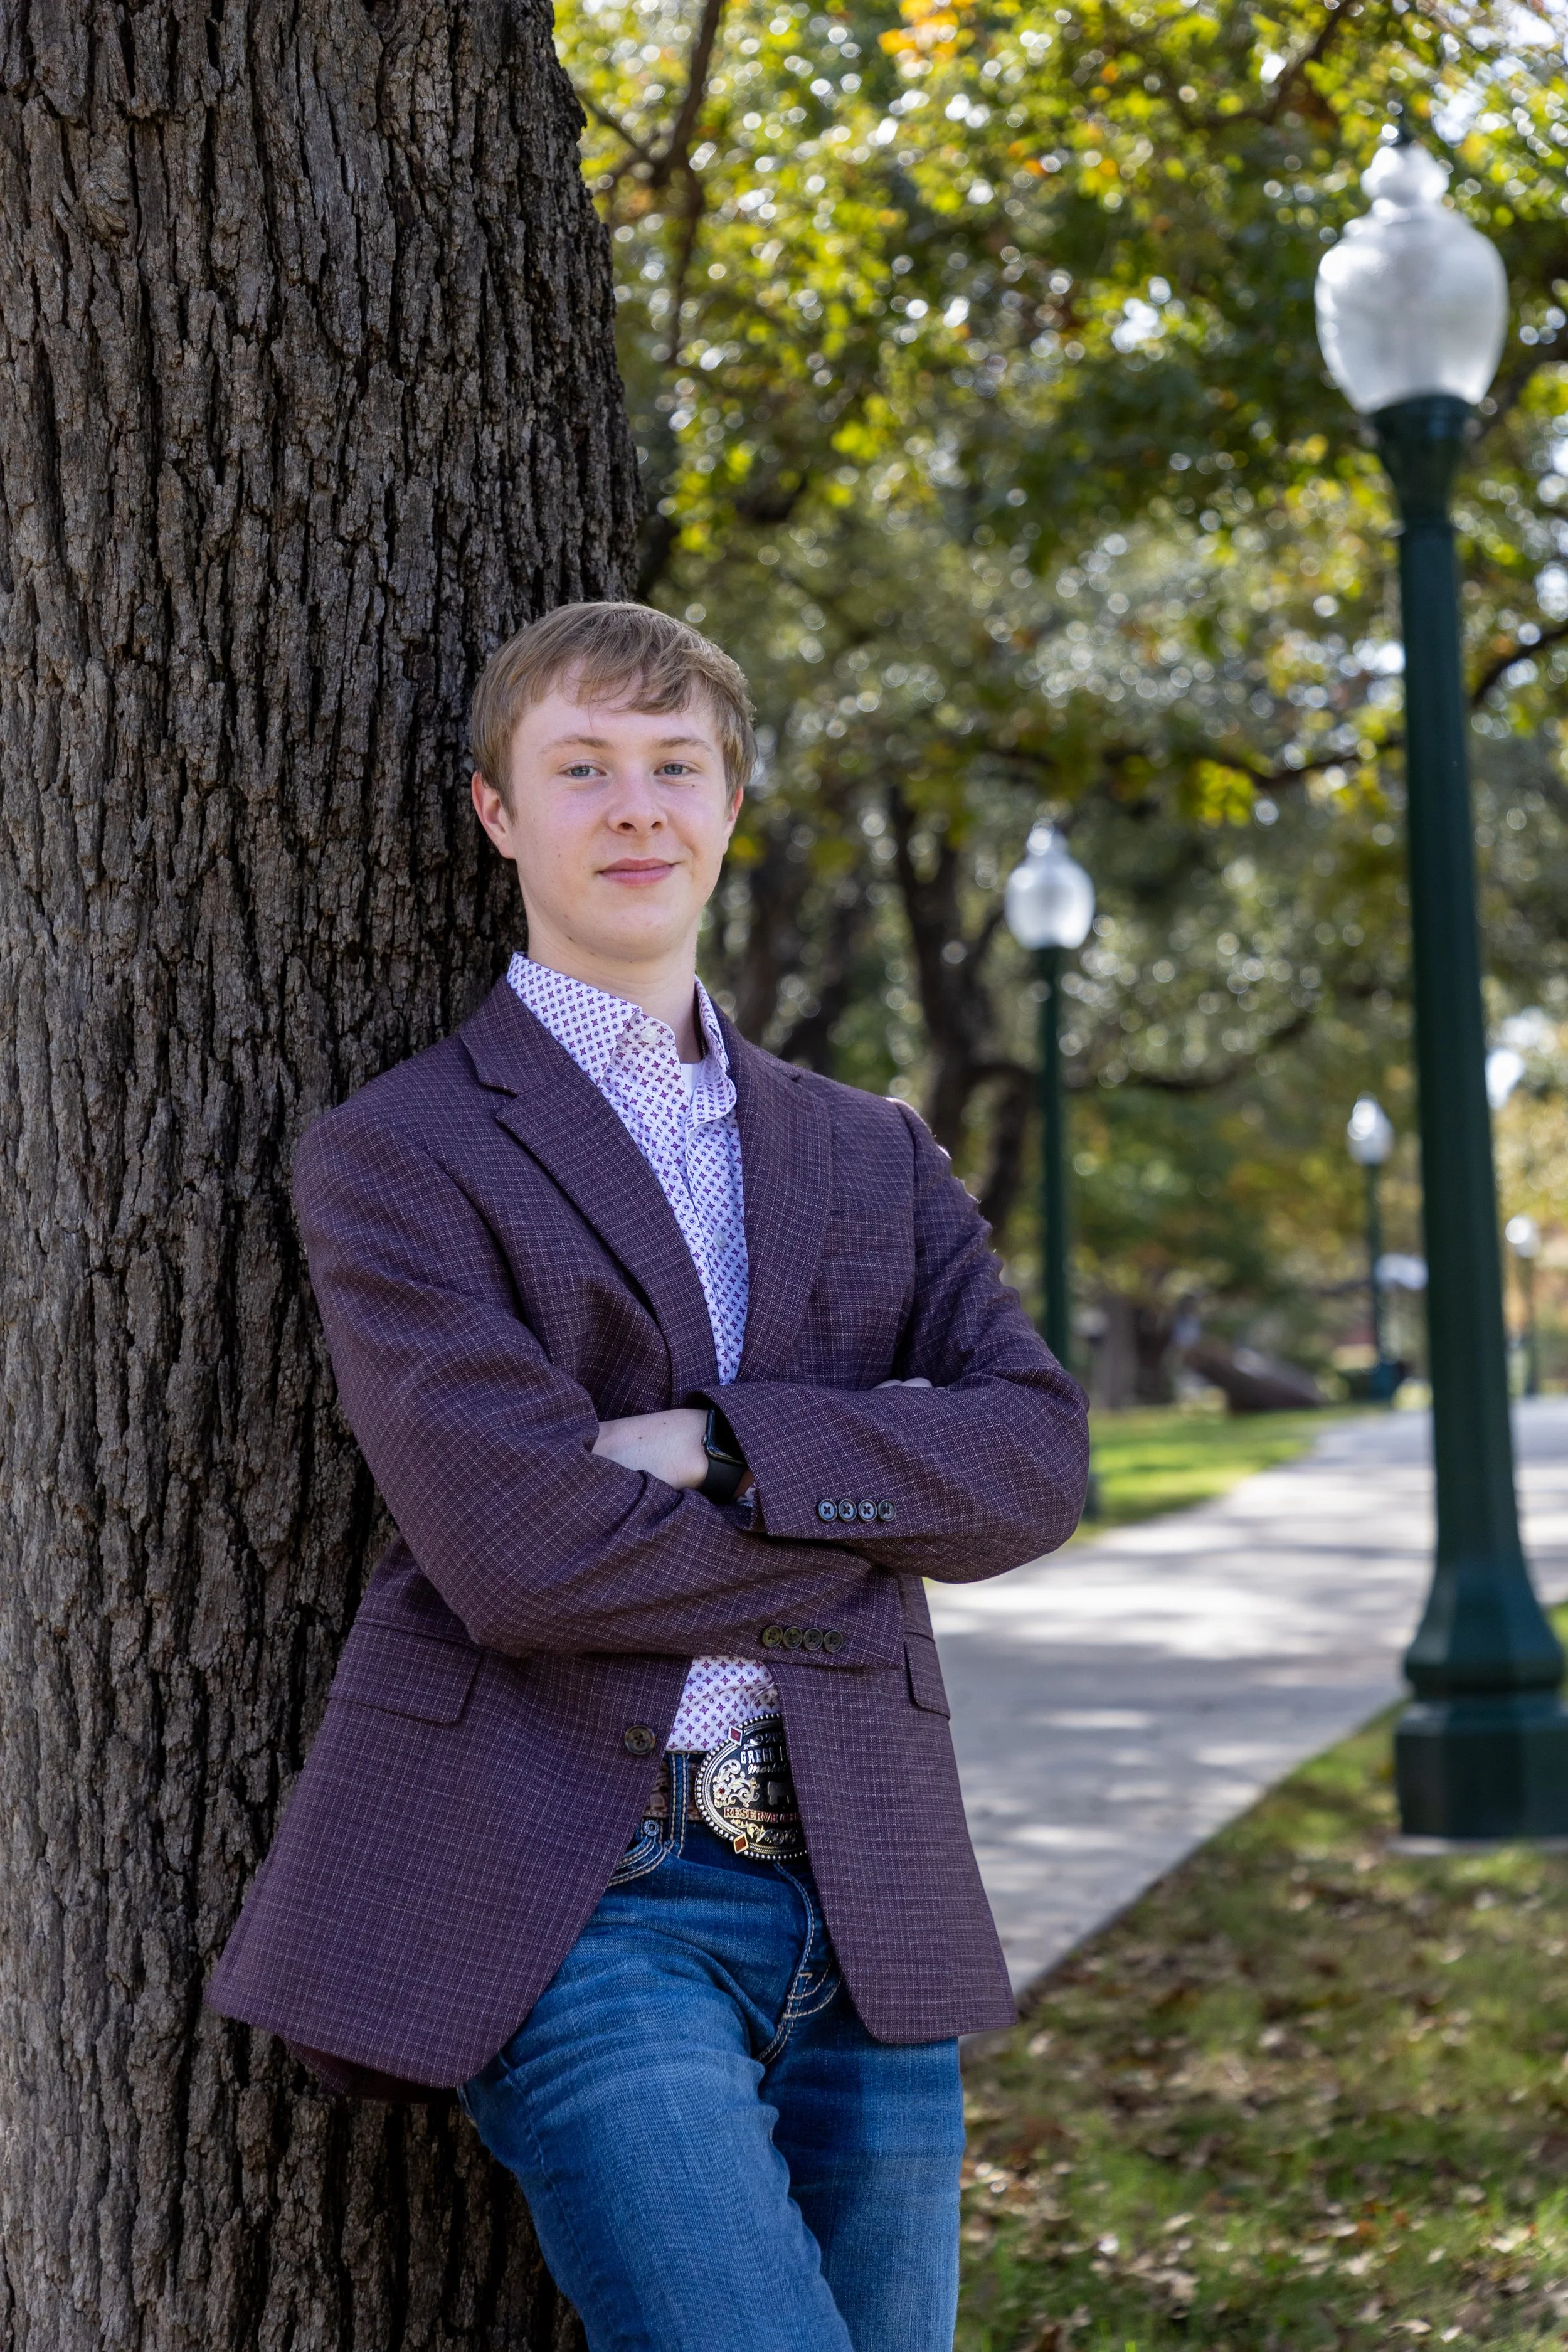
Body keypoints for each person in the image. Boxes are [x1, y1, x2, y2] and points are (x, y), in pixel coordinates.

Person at [208, 601, 1089, 2352]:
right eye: (582, 767)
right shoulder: (399, 1152)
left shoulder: (871, 1149)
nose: (635, 808)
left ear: (730, 802)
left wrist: (728, 1447)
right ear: (497, 814)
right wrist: (869, 1529)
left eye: (674, 767)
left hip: (868, 1879)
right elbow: (521, 1557)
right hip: (584, 1891)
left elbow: (1038, 1461)